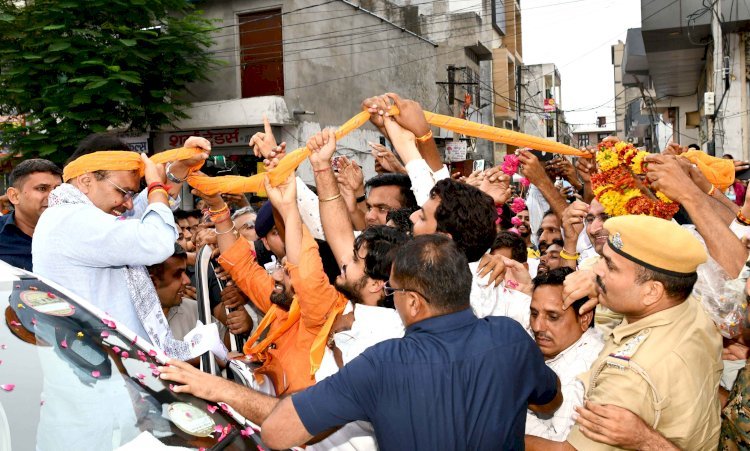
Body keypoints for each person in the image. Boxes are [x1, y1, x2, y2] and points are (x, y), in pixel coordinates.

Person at [259, 234, 563, 450]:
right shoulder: (510, 337)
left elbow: (276, 433)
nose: (392, 299)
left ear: (414, 302)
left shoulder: (382, 363)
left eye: (394, 291)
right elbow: (550, 398)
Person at [526, 215, 723, 450]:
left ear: (651, 292)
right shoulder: (689, 307)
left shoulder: (626, 376)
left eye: (610, 265)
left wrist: (494, 429)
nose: (596, 269)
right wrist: (604, 284)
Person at [32, 135, 210, 359]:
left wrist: (179, 167)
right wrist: (155, 186)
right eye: (123, 192)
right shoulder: (74, 220)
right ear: (86, 182)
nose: (127, 203)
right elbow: (157, 241)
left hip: (110, 364)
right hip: (100, 372)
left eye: (131, 194)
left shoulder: (79, 213)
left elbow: (144, 207)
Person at [526, 268, 604, 442]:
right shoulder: (553, 342)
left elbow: (557, 443)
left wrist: (510, 406)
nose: (538, 326)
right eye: (534, 314)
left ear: (584, 319)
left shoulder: (581, 372)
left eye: (552, 317)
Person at [0, 159, 62, 271]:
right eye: (42, 189)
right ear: (14, 196)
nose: (55, 196)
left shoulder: (78, 234)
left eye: (58, 189)